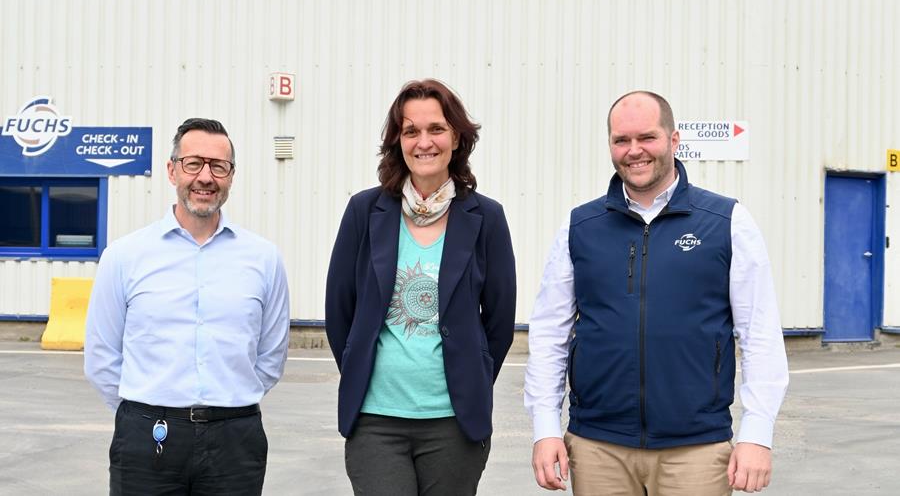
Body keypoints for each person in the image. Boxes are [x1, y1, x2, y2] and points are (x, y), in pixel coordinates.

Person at [524, 91, 789, 495]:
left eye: (647, 137)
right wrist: (545, 428)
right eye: (621, 140)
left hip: (696, 448)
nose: (634, 151)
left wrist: (757, 434)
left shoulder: (726, 222)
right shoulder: (580, 226)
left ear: (673, 140)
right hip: (597, 446)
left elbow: (760, 333)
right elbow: (549, 333)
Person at [325, 79, 516, 496]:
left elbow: (500, 322)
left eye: (436, 129)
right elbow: (340, 311)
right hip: (375, 419)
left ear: (456, 138)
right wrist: (361, 367)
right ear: (398, 141)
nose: (424, 142)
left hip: (453, 422)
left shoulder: (486, 217)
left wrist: (473, 378)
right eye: (411, 131)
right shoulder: (364, 211)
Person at [84, 118, 290, 495]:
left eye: (219, 166)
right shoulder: (124, 256)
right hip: (146, 437)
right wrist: (150, 409)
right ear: (172, 170)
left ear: (231, 175)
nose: (205, 177)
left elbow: (271, 356)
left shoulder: (264, 259)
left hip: (235, 441)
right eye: (193, 163)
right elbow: (102, 356)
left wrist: (227, 406)